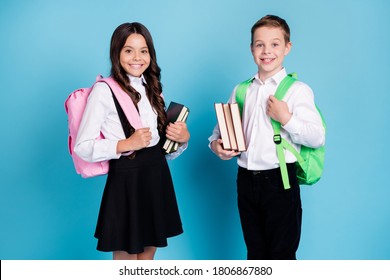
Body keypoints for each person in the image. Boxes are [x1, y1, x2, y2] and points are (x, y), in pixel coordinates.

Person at [208, 15, 325, 260]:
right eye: (259, 44)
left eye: (274, 44)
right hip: (246, 180)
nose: (266, 51)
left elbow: (317, 137)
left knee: (281, 255)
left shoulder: (297, 90)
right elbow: (218, 133)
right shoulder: (242, 90)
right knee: (256, 255)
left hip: (280, 180)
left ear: (287, 47)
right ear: (251, 49)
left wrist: (286, 118)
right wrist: (217, 146)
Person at [75, 22, 190, 260]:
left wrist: (182, 139)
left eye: (143, 50)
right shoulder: (104, 91)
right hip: (127, 178)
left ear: (151, 54)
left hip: (156, 174)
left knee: (148, 254)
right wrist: (124, 145)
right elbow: (82, 147)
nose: (137, 57)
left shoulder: (153, 88)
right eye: (129, 50)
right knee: (126, 257)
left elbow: (161, 148)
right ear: (116, 53)